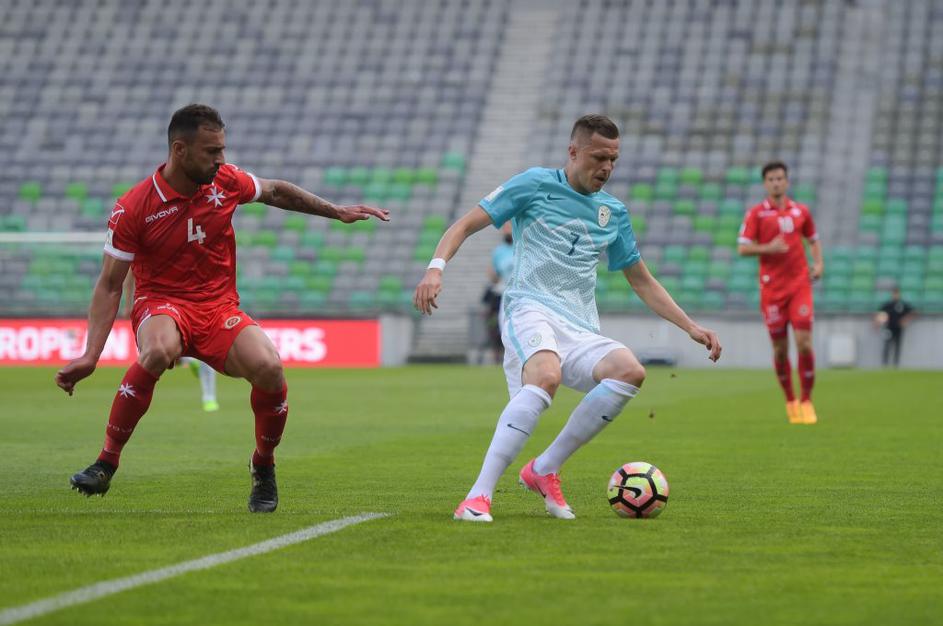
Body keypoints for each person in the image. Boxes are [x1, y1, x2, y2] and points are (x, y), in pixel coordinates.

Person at [56, 104, 389, 512]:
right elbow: (110, 285)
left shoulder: (226, 181)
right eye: (212, 151)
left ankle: (263, 465)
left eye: (222, 150)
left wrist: (335, 211)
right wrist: (91, 355)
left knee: (270, 367)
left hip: (217, 306)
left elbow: (275, 191)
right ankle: (106, 462)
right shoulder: (134, 206)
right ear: (179, 150)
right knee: (158, 350)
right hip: (161, 301)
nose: (221, 159)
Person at [414, 114, 722, 522]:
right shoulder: (534, 184)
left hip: (578, 324)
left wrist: (691, 327)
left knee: (630, 371)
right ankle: (477, 497)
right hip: (528, 308)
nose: (607, 168)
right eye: (599, 157)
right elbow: (465, 224)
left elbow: (641, 280)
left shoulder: (613, 212)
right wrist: (435, 269)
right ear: (573, 152)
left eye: (613, 160)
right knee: (547, 376)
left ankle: (544, 469)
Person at [737, 161, 823, 425]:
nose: (776, 183)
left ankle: (806, 400)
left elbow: (813, 239)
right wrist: (768, 248)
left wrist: (818, 263)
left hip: (799, 285)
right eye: (771, 179)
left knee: (804, 342)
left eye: (780, 178)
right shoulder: (756, 214)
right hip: (772, 289)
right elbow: (743, 248)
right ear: (765, 184)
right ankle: (790, 400)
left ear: (787, 181)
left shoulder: (801, 211)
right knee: (780, 349)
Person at [124, 272, 220, 412]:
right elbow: (130, 274)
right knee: (174, 351)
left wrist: (128, 304)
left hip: (172, 302)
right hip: (172, 301)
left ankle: (208, 396)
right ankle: (206, 391)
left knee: (173, 348)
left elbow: (128, 277)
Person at [480, 223, 514, 363]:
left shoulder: (523, 246)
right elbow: (494, 274)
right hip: (503, 294)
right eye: (505, 228)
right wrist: (493, 275)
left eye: (509, 227)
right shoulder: (499, 251)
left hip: (520, 294)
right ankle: (498, 355)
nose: (507, 231)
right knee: (497, 326)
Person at [875, 287, 914, 367]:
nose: (895, 295)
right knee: (887, 345)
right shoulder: (888, 304)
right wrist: (878, 322)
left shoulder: (903, 304)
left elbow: (913, 312)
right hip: (889, 328)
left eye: (897, 294)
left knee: (897, 346)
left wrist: (905, 319)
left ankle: (895, 364)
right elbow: (880, 313)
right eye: (894, 294)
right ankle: (885, 364)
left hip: (898, 329)